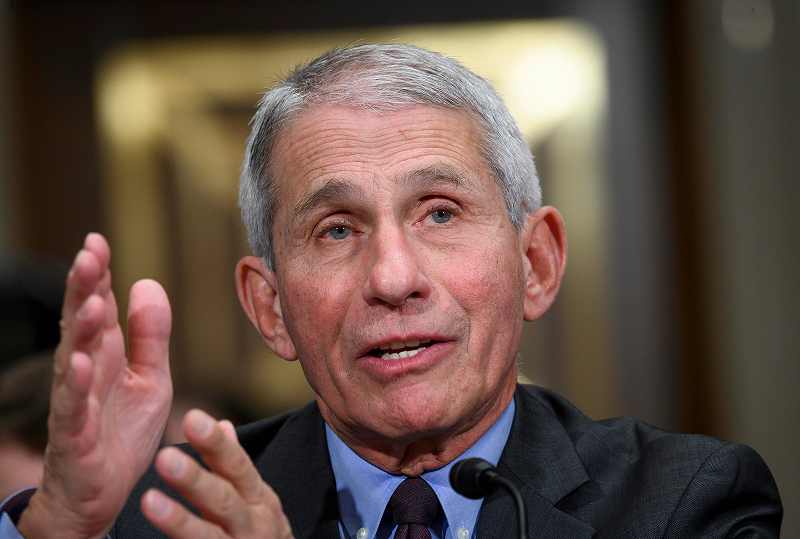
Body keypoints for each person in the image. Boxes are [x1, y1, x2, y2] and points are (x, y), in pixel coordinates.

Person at [0, 44, 782, 539]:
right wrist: (60, 526)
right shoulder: (168, 516)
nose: (393, 278)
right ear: (271, 309)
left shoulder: (686, 503)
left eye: (439, 212)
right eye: (337, 229)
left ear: (536, 262)